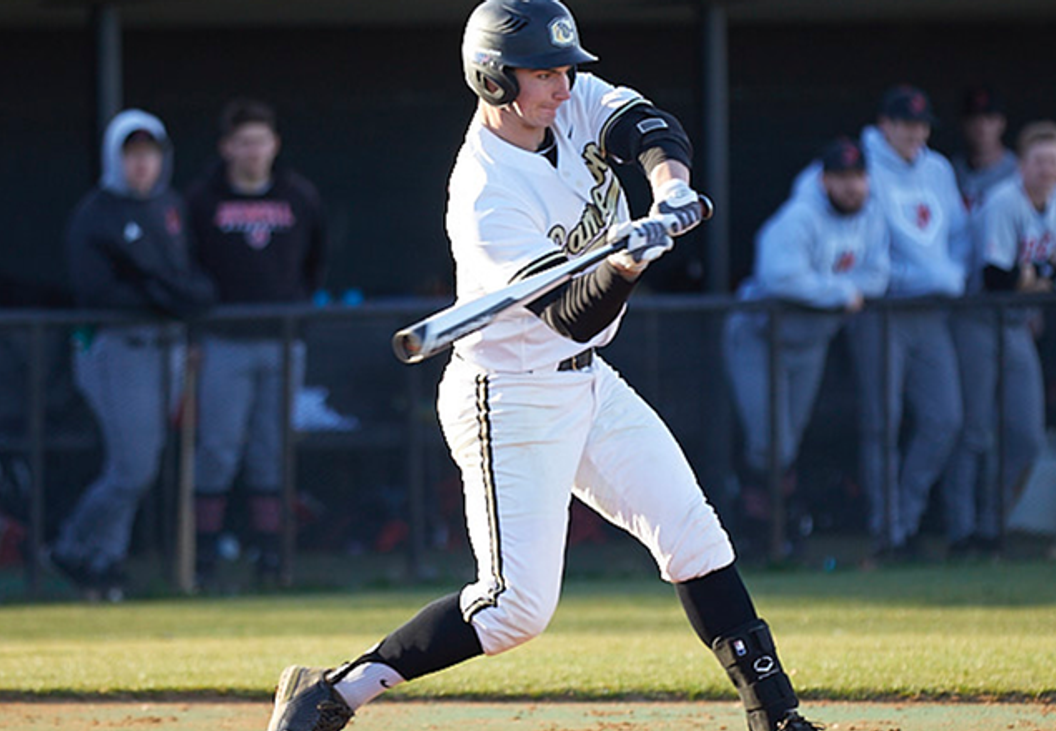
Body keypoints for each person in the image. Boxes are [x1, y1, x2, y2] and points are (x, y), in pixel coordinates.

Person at [266, 3, 822, 731]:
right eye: (542, 73)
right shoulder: (485, 191)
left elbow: (649, 128)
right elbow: (570, 312)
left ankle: (776, 716)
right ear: (494, 81)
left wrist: (671, 189)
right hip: (510, 395)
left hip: (587, 379)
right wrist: (626, 263)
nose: (562, 85)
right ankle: (335, 691)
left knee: (694, 534)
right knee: (514, 609)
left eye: (565, 70)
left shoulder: (572, 101)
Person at [51, 109, 217, 600]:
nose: (141, 164)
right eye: (131, 155)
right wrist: (160, 292)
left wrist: (164, 292)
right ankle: (69, 547)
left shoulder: (170, 206)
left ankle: (105, 561)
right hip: (118, 348)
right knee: (133, 467)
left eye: (149, 154)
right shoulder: (95, 213)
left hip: (168, 350)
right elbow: (99, 292)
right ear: (114, 158)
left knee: (141, 466)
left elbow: (187, 281)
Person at [185, 98, 329, 588]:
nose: (252, 151)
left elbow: (316, 260)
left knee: (273, 450)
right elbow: (187, 264)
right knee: (217, 450)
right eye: (243, 142)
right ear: (227, 147)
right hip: (222, 341)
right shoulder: (202, 200)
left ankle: (272, 560)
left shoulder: (299, 196)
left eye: (260, 141)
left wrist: (297, 310)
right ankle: (202, 560)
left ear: (275, 145)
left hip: (283, 342)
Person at [722, 138, 888, 554]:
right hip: (760, 337)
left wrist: (832, 291)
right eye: (841, 177)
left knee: (788, 444)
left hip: (810, 342)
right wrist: (840, 292)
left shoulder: (872, 218)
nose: (851, 186)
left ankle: (776, 529)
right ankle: (753, 525)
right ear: (824, 180)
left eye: (858, 177)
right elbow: (781, 277)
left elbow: (878, 277)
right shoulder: (799, 216)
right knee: (769, 441)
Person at [941, 121, 1056, 556]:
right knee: (974, 431)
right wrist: (1043, 277)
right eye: (1039, 161)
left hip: (1017, 324)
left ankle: (993, 525)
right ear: (1021, 164)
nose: (1047, 169)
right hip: (977, 320)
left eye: (1055, 161)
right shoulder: (1004, 200)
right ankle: (962, 532)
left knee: (1026, 436)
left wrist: (1032, 278)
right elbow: (997, 279)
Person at [851, 85, 967, 560]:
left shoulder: (938, 168)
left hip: (932, 310)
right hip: (882, 310)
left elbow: (959, 236)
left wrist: (948, 275)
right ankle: (888, 532)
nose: (916, 133)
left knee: (946, 418)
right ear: (885, 125)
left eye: (922, 125)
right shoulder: (861, 164)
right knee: (883, 422)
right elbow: (862, 245)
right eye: (906, 124)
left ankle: (907, 516)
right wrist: (913, 278)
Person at [952, 85, 1017, 212]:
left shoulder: (1018, 172)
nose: (982, 126)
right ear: (964, 124)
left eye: (990, 119)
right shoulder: (951, 170)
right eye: (974, 119)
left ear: (1002, 123)